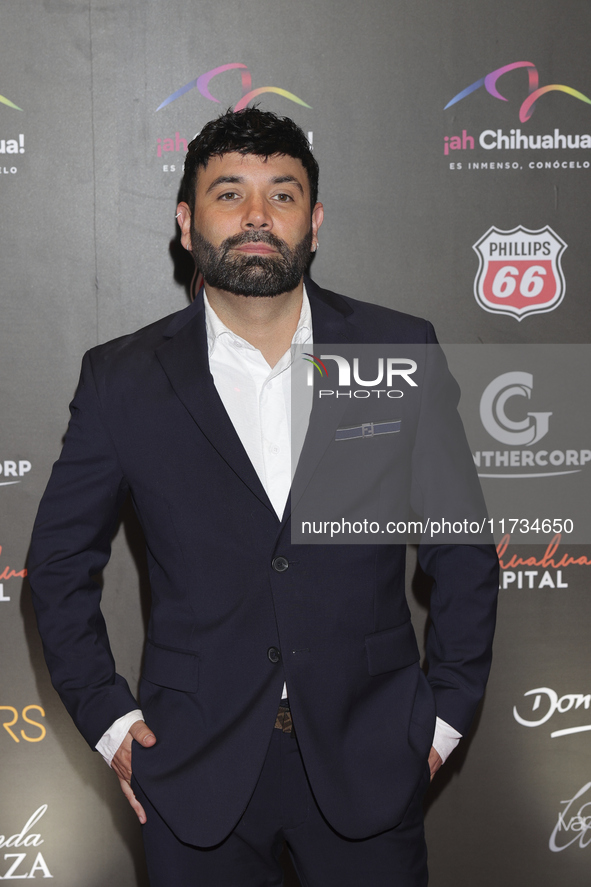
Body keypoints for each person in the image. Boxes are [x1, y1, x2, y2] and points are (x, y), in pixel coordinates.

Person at [29, 108, 499, 886]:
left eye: (281, 196)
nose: (256, 216)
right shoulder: (121, 378)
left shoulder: (397, 349)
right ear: (187, 222)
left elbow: (463, 551)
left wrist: (444, 720)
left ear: (313, 222)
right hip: (192, 764)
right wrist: (110, 721)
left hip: (372, 754)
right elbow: (56, 563)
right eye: (229, 194)